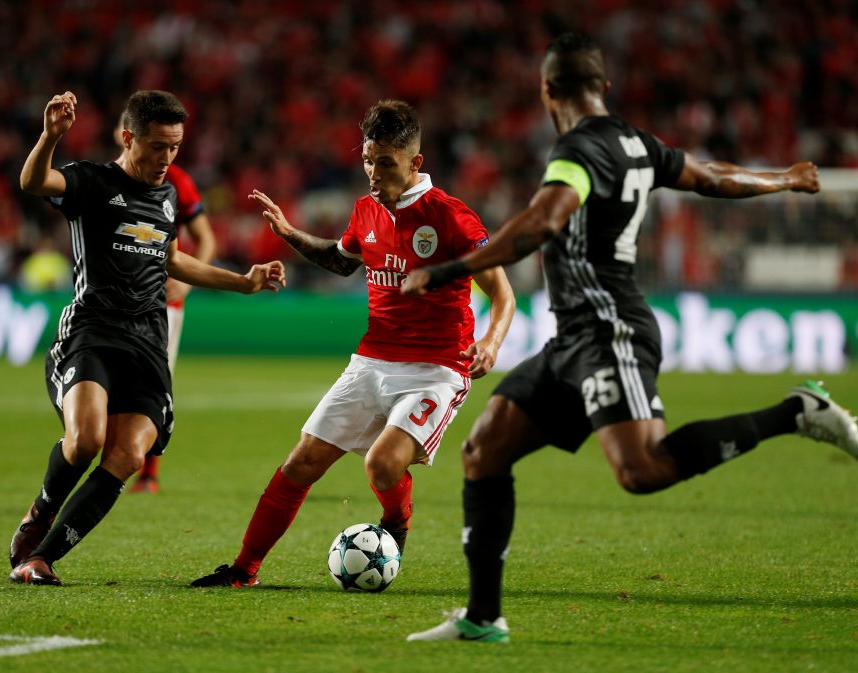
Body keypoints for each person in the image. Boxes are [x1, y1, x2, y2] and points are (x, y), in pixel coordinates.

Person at [402, 32, 858, 643]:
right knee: (484, 451)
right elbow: (712, 176)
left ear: (547, 90)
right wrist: (784, 179)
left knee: (642, 469)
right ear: (605, 87)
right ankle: (483, 618)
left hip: (610, 329)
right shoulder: (637, 143)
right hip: (572, 339)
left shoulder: (577, 150)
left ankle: (797, 412)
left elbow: (543, 220)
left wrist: (450, 270)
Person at [190, 99, 515, 588]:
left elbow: (503, 292)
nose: (373, 173)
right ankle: (243, 569)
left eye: (385, 163)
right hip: (371, 361)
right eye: (367, 161)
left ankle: (397, 525)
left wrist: (490, 341)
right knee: (301, 461)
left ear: (415, 162)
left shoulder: (451, 217)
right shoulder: (366, 210)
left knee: (381, 465)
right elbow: (342, 260)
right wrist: (289, 233)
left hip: (436, 368)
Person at [9, 90, 286, 585]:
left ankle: (41, 559)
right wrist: (50, 136)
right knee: (86, 440)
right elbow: (32, 182)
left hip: (146, 344)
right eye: (157, 146)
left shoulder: (168, 196)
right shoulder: (91, 182)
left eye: (175, 147)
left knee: (128, 455)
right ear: (128, 137)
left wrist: (243, 282)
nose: (166, 158)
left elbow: (172, 258)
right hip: (92, 332)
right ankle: (41, 511)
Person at [108, 120, 219, 494]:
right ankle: (111, 460)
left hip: (162, 301)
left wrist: (185, 282)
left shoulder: (177, 181)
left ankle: (147, 473)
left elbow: (205, 239)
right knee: (108, 381)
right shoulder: (105, 179)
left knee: (154, 383)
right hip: (113, 301)